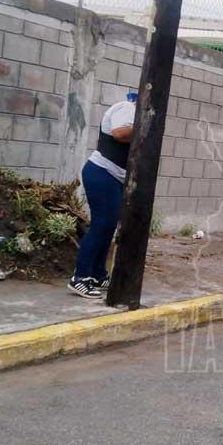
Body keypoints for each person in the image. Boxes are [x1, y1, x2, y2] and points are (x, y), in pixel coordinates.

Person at [67, 92, 137, 298]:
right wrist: (144, 127)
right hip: (101, 172)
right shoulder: (127, 108)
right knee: (101, 225)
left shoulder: (133, 112)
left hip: (112, 176)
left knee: (108, 226)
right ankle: (79, 278)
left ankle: (97, 274)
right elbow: (119, 133)